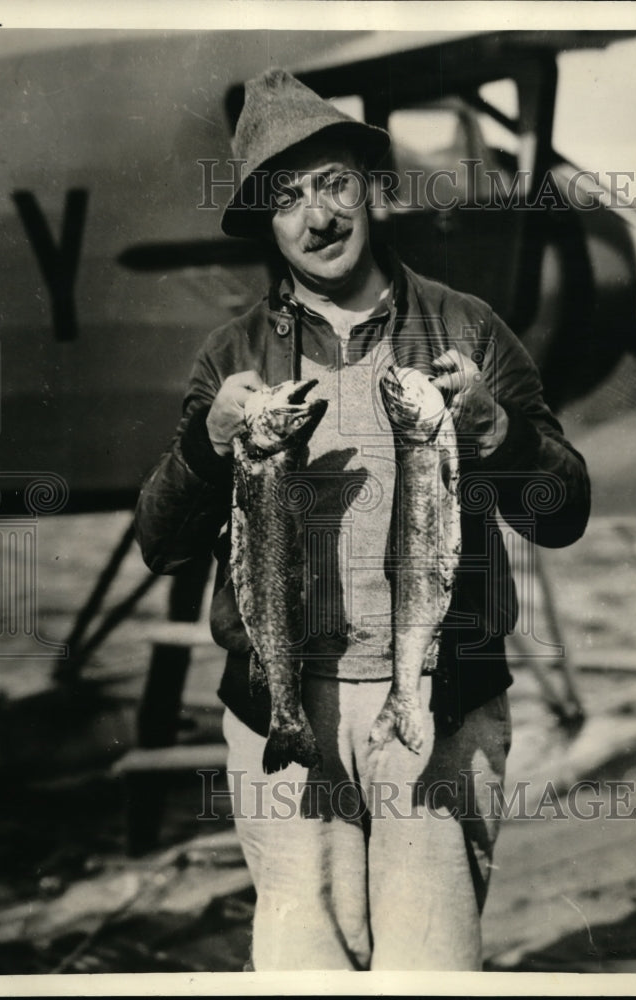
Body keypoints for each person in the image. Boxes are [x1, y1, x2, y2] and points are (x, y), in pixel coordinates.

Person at [135, 69, 591, 971]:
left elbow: (563, 511)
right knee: (301, 965)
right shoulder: (229, 357)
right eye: (287, 198)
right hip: (280, 715)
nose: (318, 218)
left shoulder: (467, 327)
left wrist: (498, 433)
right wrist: (205, 443)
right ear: (265, 223)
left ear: (371, 188)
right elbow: (162, 542)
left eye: (334, 183)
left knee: (428, 965)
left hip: (436, 706)